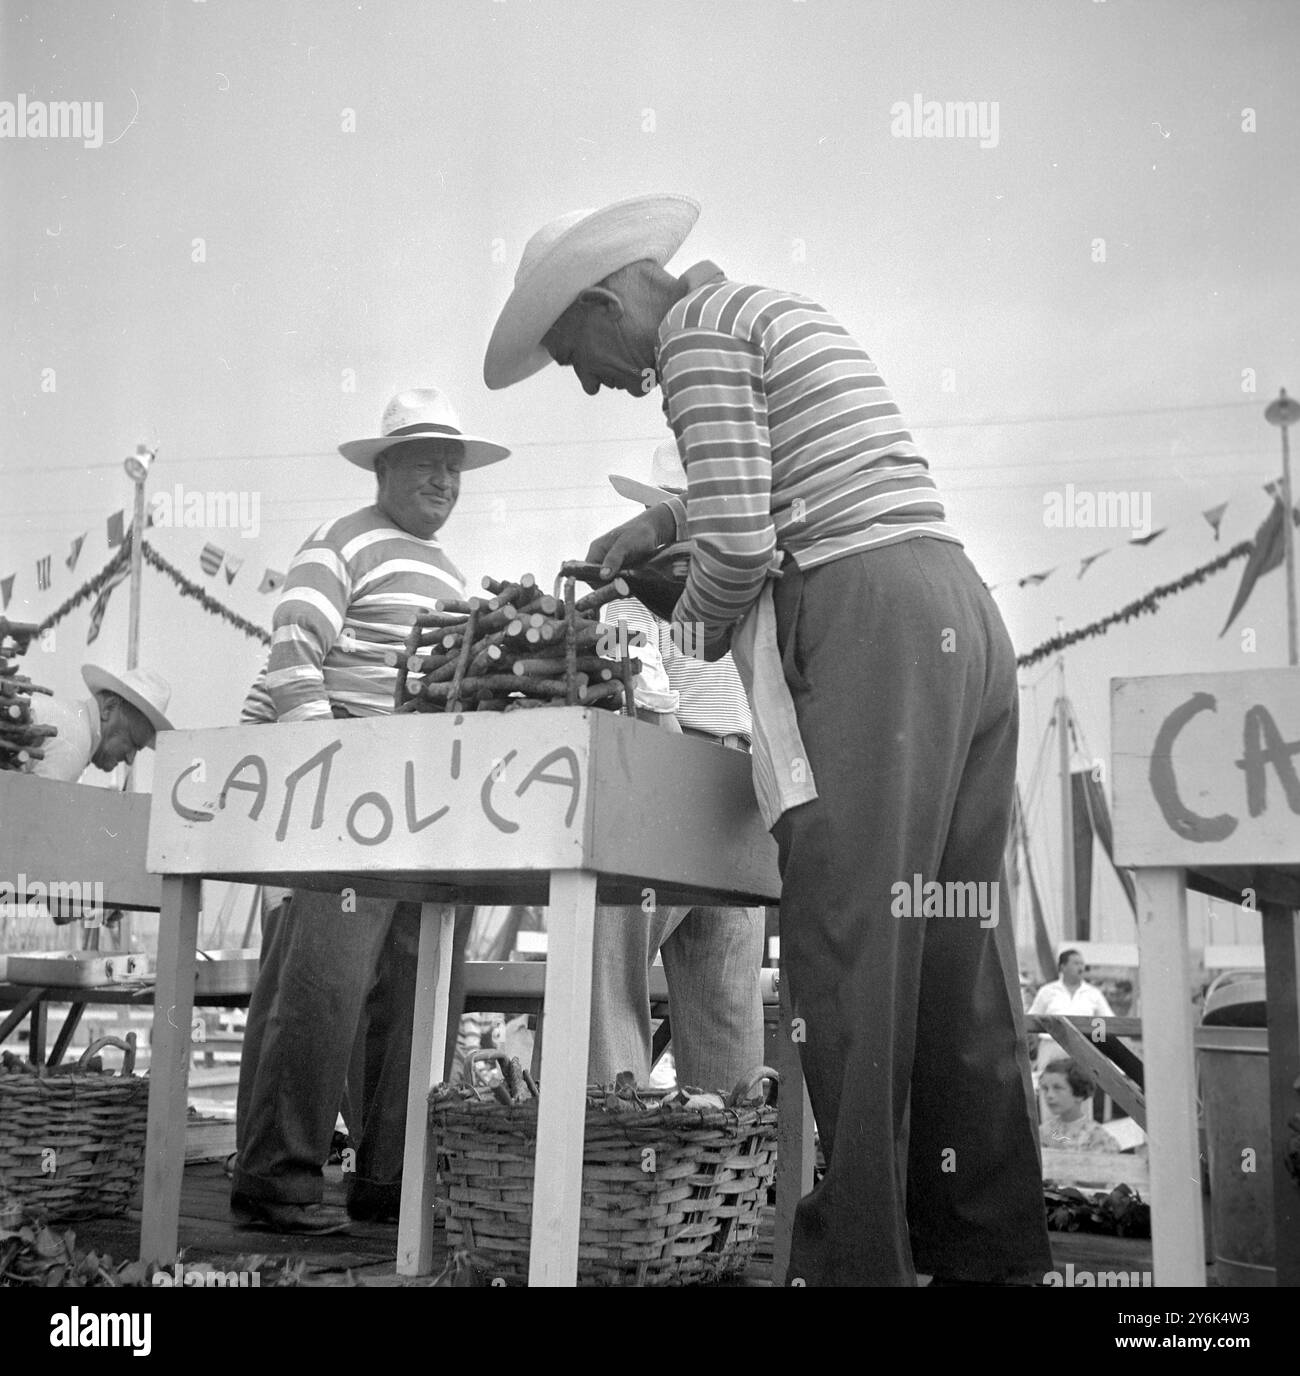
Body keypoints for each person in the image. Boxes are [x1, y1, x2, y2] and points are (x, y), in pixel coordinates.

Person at [484, 194, 1051, 1286]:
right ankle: (986, 1249)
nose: (595, 379)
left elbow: (743, 546)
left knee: (849, 947)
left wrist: (676, 605)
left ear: (609, 301)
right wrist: (672, 529)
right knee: (951, 952)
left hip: (866, 621)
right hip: (956, 612)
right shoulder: (769, 310)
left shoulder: (694, 334)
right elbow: (763, 498)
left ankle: (858, 1263)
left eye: (574, 352)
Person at [231, 388, 509, 1234]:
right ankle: (276, 1179)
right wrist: (332, 768)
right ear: (383, 466)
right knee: (321, 983)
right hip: (346, 781)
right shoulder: (340, 542)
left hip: (423, 789)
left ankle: (390, 1179)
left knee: (415, 985)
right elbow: (289, 656)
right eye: (427, 460)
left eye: (454, 465)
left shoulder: (451, 574)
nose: (445, 478)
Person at [587, 437, 764, 1092]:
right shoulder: (732, 586)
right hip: (733, 782)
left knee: (610, 966)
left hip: (674, 778)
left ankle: (610, 1124)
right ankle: (726, 1159)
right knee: (724, 993)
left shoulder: (625, 593)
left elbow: (648, 698)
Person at [29, 664, 173, 782]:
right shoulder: (76, 743)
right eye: (132, 743)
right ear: (108, 708)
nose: (130, 759)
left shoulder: (72, 720)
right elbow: (34, 812)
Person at [1028, 948, 1114, 1072]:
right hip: (1052, 1047)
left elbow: (1108, 1020)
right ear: (1063, 967)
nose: (1081, 967)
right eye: (1076, 963)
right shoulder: (1047, 991)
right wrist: (1033, 1047)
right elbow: (1033, 1018)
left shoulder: (1094, 993)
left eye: (1082, 963)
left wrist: (1098, 1046)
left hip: (1084, 1048)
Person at [1038, 1058, 1120, 1152]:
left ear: (1078, 1094)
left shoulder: (1095, 1136)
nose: (1049, 1095)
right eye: (1045, 1088)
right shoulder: (1044, 1131)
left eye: (1058, 1088)